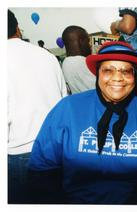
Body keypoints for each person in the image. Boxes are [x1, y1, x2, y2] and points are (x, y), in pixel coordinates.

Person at [28, 41, 137, 204]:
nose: (117, 78)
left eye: (126, 71)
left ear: (135, 77)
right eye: (108, 70)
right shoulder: (68, 108)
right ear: (97, 74)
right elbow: (41, 169)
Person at [7, 9, 68, 203]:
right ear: (17, 28)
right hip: (54, 149)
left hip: (16, 154)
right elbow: (62, 104)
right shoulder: (47, 57)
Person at [62, 25, 96, 94]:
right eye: (88, 41)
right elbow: (104, 90)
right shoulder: (81, 62)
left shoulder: (65, 62)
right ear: (81, 41)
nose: (90, 45)